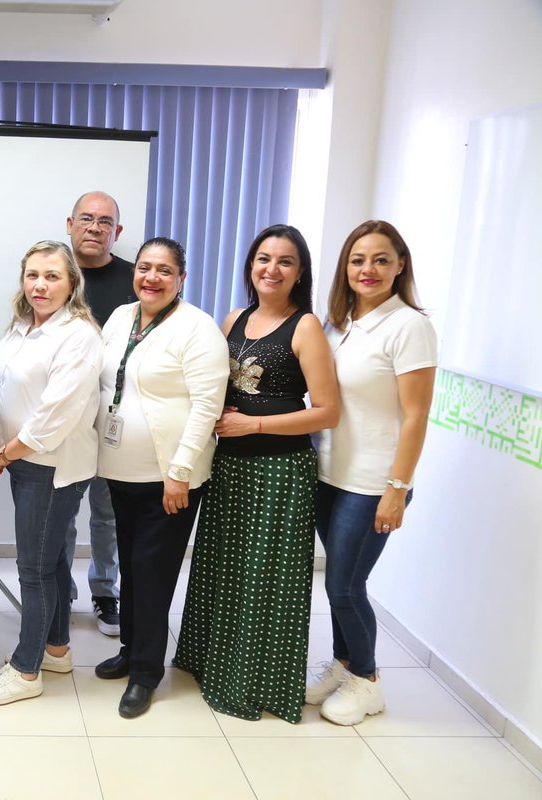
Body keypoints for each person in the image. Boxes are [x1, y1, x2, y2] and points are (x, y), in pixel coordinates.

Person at [173, 224, 340, 723]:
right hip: (229, 466)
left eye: (285, 261)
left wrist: (255, 423)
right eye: (263, 258)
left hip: (279, 470)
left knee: (265, 580)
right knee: (224, 570)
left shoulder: (306, 326)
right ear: (250, 266)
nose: (271, 269)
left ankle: (254, 680)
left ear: (300, 272)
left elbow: (327, 412)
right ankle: (211, 662)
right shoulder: (234, 318)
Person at [92, 237, 229, 718]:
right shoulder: (120, 317)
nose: (152, 277)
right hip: (118, 472)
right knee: (131, 567)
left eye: (164, 271)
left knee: (153, 575)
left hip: (168, 481)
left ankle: (147, 673)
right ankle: (131, 651)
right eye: (145, 267)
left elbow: (207, 407)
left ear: (181, 279)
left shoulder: (198, 329)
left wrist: (180, 472)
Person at [309, 220, 437, 725]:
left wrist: (396, 490)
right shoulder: (338, 324)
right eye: (358, 260)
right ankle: (344, 667)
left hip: (372, 484)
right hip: (330, 476)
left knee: (344, 585)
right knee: (339, 584)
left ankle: (369, 681)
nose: (368, 269)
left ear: (400, 265)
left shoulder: (409, 326)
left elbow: (416, 416)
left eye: (381, 259)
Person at [0, 241, 102, 705]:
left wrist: (4, 453)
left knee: (34, 568)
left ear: (72, 283)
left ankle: (26, 670)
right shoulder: (21, 327)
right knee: (53, 560)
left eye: (52, 276)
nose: (40, 285)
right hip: (18, 458)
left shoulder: (80, 335)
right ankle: (56, 648)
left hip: (51, 466)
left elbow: (55, 415)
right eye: (32, 275)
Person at [64, 190, 136, 636]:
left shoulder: (136, 280)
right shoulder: (53, 274)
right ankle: (60, 588)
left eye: (104, 221)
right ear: (69, 224)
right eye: (86, 219)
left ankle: (105, 590)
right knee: (62, 510)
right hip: (63, 418)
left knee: (108, 513)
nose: (94, 227)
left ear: (117, 232)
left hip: (116, 416)